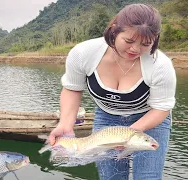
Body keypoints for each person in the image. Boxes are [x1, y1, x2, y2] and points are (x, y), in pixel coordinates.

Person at [47, 3, 176, 180]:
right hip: (107, 116)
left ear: (155, 39)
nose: (135, 49)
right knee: (111, 177)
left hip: (150, 120)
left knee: (148, 177)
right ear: (114, 30)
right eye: (129, 41)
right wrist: (66, 123)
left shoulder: (160, 66)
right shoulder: (83, 53)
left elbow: (161, 108)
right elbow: (72, 89)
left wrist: (129, 135)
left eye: (146, 44)